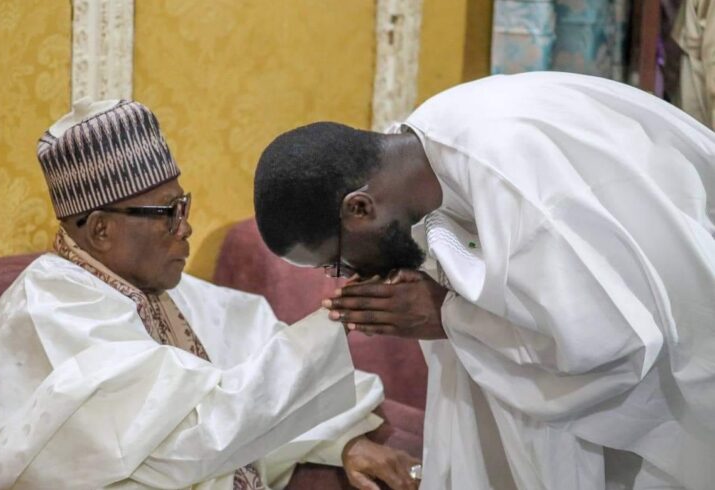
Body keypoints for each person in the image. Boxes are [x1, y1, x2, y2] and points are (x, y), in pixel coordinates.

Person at [0, 99, 421, 489]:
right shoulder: (54, 309)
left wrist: (343, 441)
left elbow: (252, 355)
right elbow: (195, 435)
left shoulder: (151, 285)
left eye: (183, 205)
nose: (187, 229)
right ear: (100, 230)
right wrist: (337, 316)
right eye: (166, 214)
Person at [253, 71, 715, 489]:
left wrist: (447, 316)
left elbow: (614, 346)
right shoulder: (422, 155)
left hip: (688, 375)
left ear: (360, 208)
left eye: (337, 262)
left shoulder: (507, 168)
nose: (349, 276)